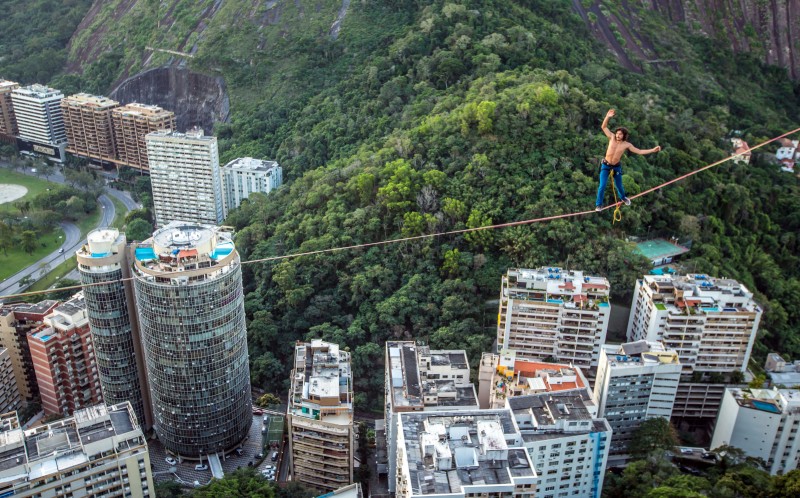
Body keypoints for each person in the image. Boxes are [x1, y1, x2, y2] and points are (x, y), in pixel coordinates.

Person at [596, 109, 660, 211]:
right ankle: (599, 205)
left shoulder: (627, 145)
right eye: (617, 133)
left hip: (616, 166)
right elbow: (603, 127)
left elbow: (639, 151)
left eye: (620, 134)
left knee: (619, 185)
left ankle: (623, 198)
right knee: (602, 185)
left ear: (624, 135)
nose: (618, 135)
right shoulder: (611, 137)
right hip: (606, 165)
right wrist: (607, 116)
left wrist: (652, 150)